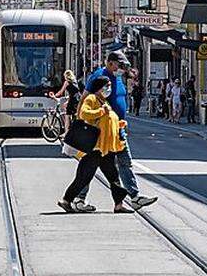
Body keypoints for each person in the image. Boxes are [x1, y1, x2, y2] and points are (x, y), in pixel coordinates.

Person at [79, 51, 157, 210]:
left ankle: (134, 197)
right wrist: (80, 124)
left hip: (117, 128)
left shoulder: (118, 78)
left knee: (124, 162)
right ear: (110, 63)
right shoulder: (98, 77)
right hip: (101, 130)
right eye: (119, 65)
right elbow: (85, 99)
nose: (121, 69)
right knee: (91, 164)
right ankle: (79, 198)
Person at [58, 76, 132, 214]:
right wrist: (101, 111)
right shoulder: (91, 98)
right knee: (84, 176)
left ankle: (118, 204)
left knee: (113, 176)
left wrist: (120, 124)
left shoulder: (103, 100)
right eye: (107, 85)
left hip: (106, 148)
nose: (108, 88)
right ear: (99, 87)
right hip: (95, 148)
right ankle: (66, 200)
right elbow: (83, 113)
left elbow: (108, 120)